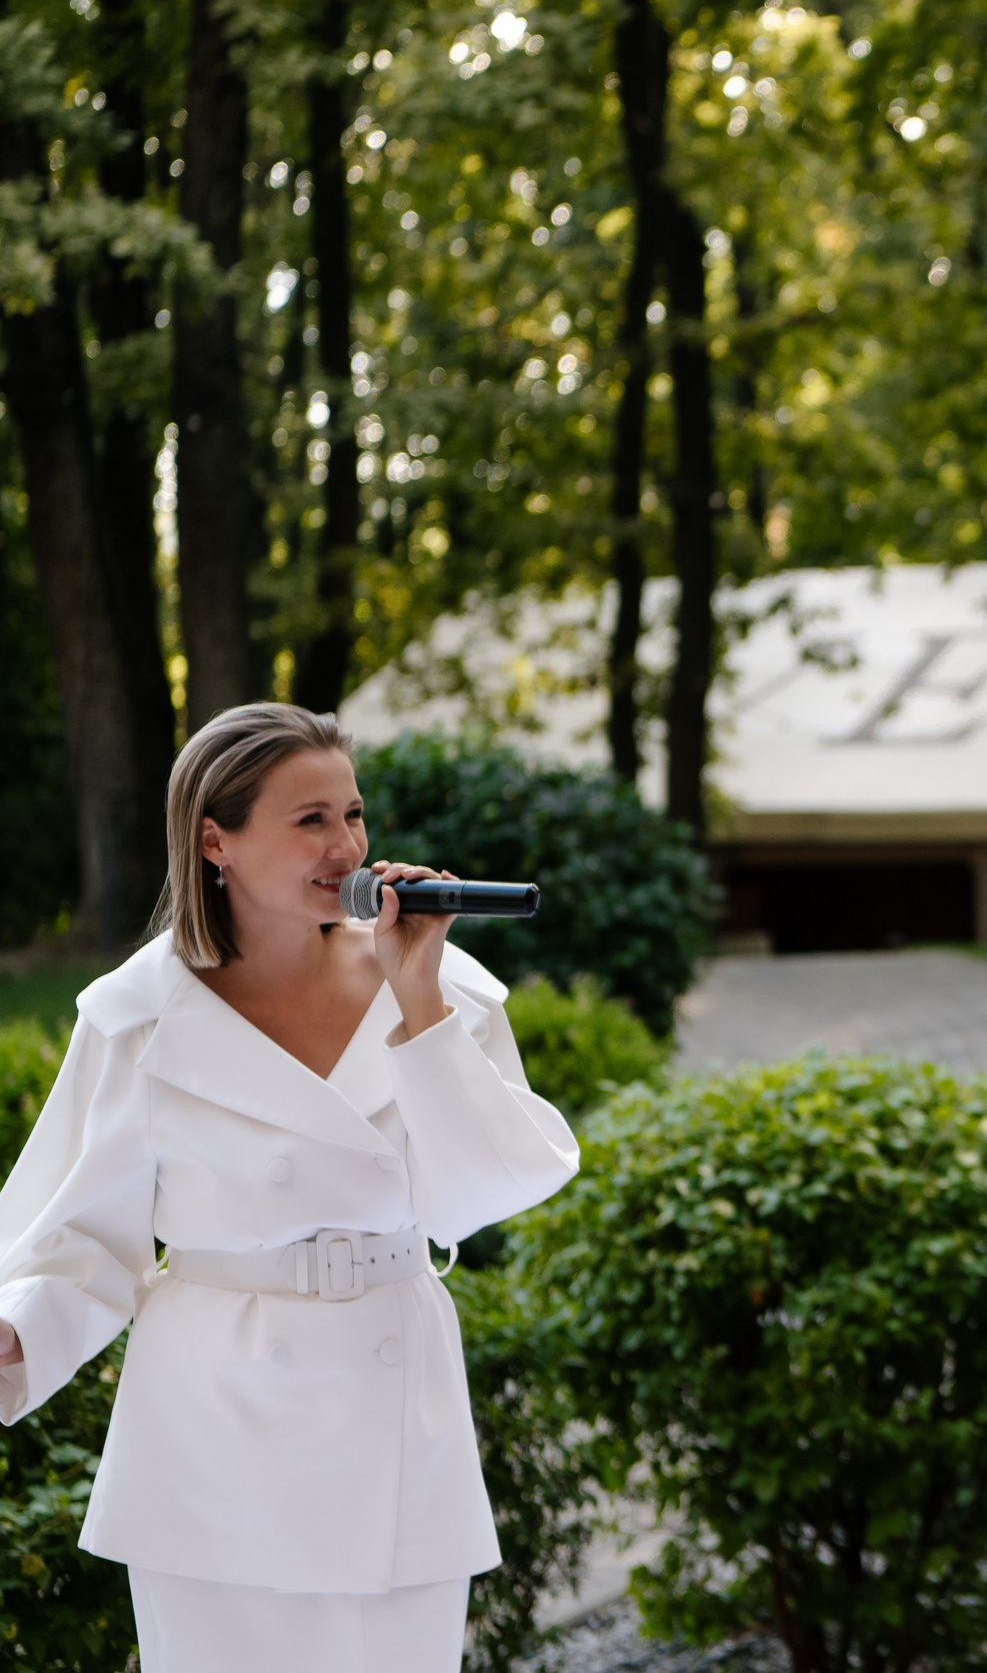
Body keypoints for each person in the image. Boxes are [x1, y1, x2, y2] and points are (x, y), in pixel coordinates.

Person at [0, 703, 581, 1673]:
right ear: (214, 841)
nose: (346, 845)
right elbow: (83, 1235)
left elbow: (478, 1196)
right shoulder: (136, 1017)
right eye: (310, 819)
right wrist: (18, 1330)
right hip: (207, 1440)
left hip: (396, 1429)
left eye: (352, 813)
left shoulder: (445, 988)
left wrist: (420, 998)